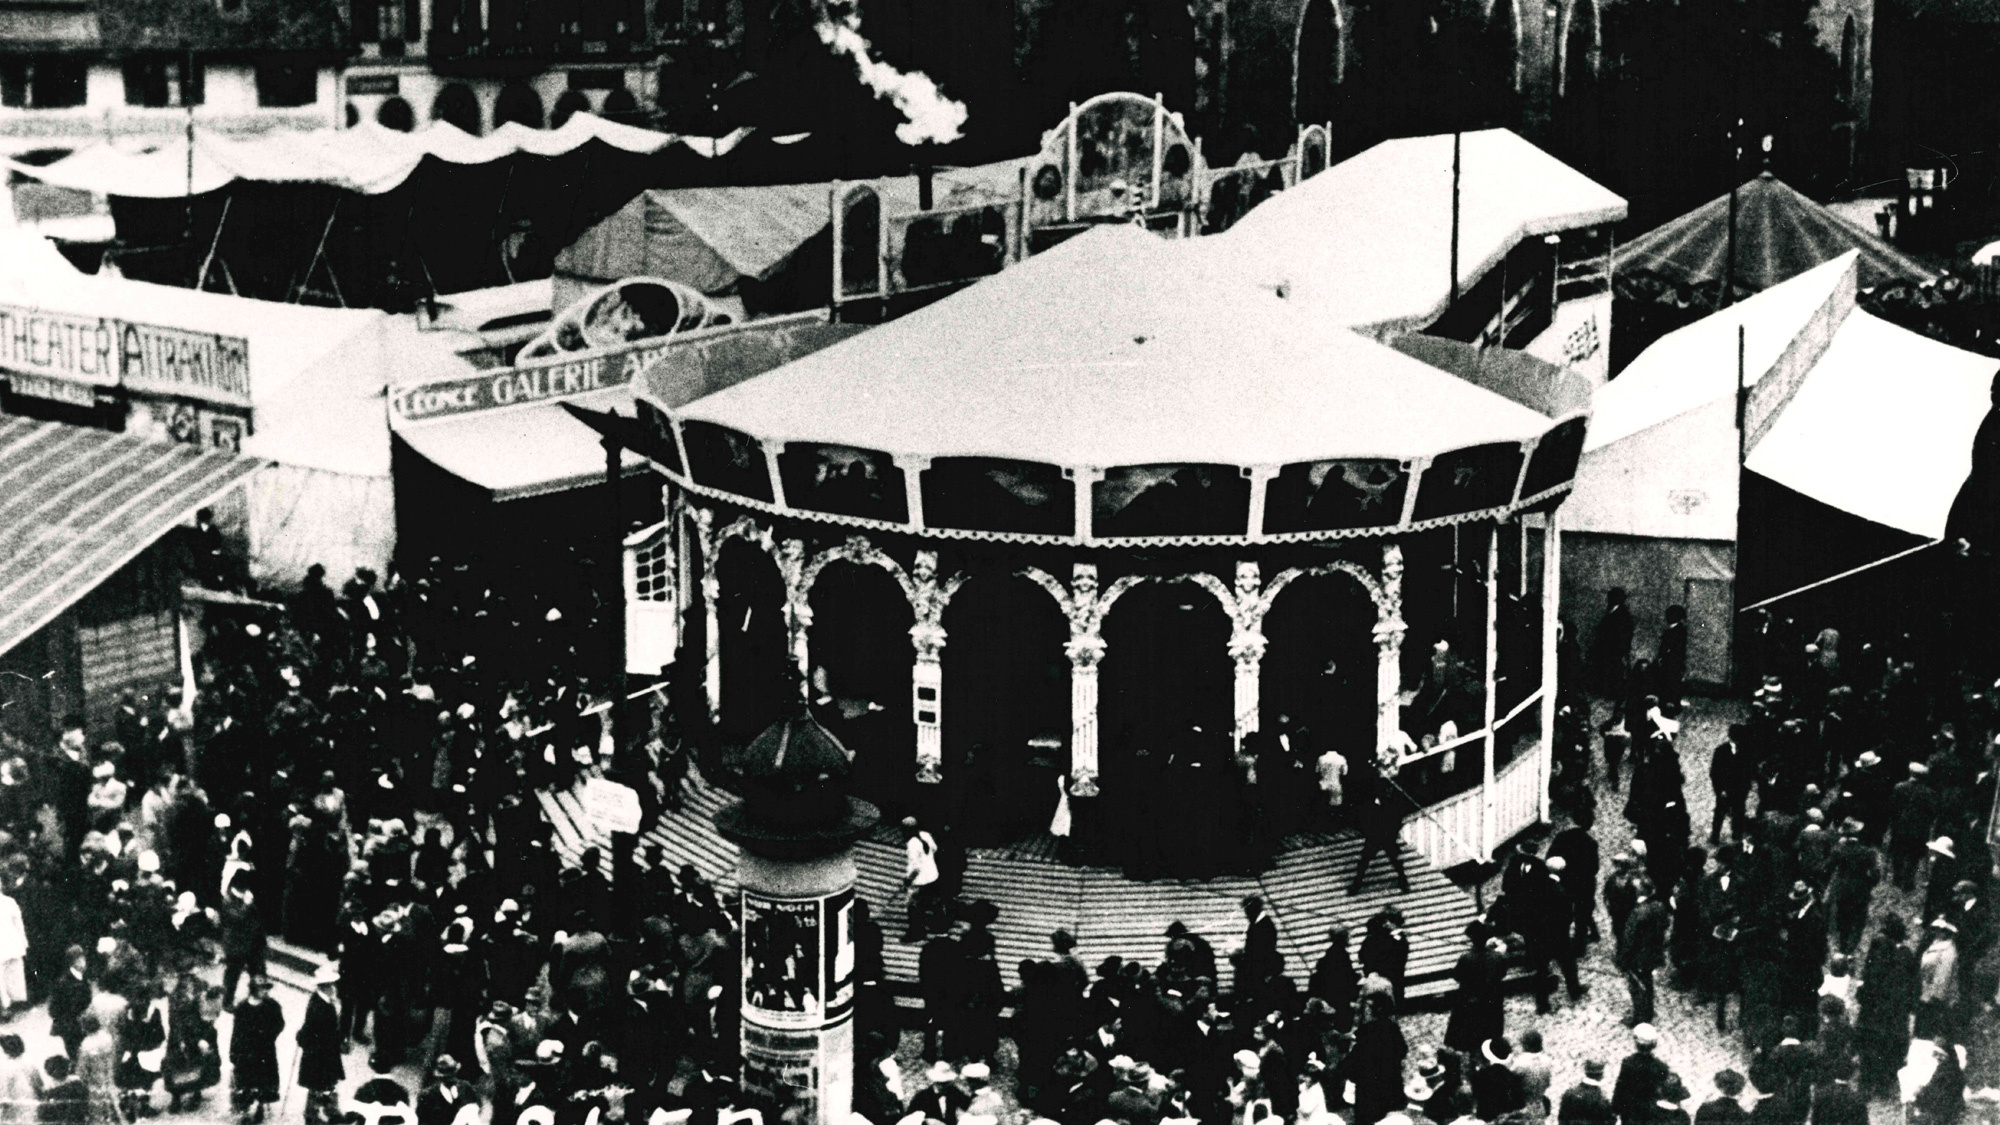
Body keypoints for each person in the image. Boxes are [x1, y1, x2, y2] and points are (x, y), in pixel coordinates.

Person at [229, 976, 283, 1123]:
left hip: (265, 1049)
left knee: (263, 1079)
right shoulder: (242, 1007)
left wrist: (269, 1034)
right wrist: (233, 1051)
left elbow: (279, 1023)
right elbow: (236, 1031)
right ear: (254, 990)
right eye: (262, 988)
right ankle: (245, 1111)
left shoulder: (272, 1005)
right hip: (246, 1050)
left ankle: (260, 1106)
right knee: (245, 1080)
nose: (265, 991)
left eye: (267, 988)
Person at [298, 965, 344, 1125]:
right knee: (319, 1085)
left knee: (321, 1085)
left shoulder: (324, 1002)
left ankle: (323, 1111)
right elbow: (310, 1032)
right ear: (325, 986)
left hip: (324, 1054)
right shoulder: (319, 1007)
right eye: (332, 984)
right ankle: (313, 1115)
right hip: (320, 1056)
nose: (334, 987)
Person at [1620, 882, 1670, 1026]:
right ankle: (1648, 1010)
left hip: (1638, 957)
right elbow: (1666, 924)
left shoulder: (1637, 912)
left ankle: (1640, 1018)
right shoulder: (1659, 906)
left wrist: (1624, 959)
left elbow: (1629, 939)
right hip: (1653, 954)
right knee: (1648, 983)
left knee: (1636, 987)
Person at [1350, 779, 1410, 894]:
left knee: (1389, 860)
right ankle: (1356, 884)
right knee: (1369, 860)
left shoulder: (1384, 805)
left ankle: (1356, 885)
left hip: (1382, 836)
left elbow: (1396, 821)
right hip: (1378, 836)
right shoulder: (1381, 805)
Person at [1611, 1025, 1670, 1125]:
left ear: (1636, 1043)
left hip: (1630, 1112)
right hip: (1652, 1112)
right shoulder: (1661, 1067)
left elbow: (1621, 1087)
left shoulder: (1628, 1063)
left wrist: (1615, 1109)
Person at [902, 817, 944, 942]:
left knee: (913, 907)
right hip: (933, 875)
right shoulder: (925, 835)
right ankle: (938, 926)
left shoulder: (912, 844)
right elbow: (935, 848)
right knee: (933, 902)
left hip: (920, 881)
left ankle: (917, 932)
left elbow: (915, 868)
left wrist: (908, 880)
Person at [47, 948, 89, 1061]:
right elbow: (53, 1009)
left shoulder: (83, 977)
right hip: (71, 1028)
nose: (84, 962)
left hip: (82, 1024)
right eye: (81, 959)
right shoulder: (63, 983)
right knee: (76, 1055)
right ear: (73, 962)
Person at [416, 1056, 473, 1125]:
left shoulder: (466, 1088)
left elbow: (475, 1111)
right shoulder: (427, 1096)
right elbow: (422, 1122)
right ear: (440, 1078)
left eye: (452, 1075)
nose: (450, 1079)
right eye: (446, 1077)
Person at [1557, 1059, 1615, 1125]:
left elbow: (1562, 1119)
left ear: (1586, 1072)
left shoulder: (1569, 1093)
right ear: (1601, 1075)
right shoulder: (1602, 1099)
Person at [36, 1057, 86, 1125]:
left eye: (61, 1067)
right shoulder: (50, 1085)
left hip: (73, 1113)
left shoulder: (74, 1080)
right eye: (54, 1069)